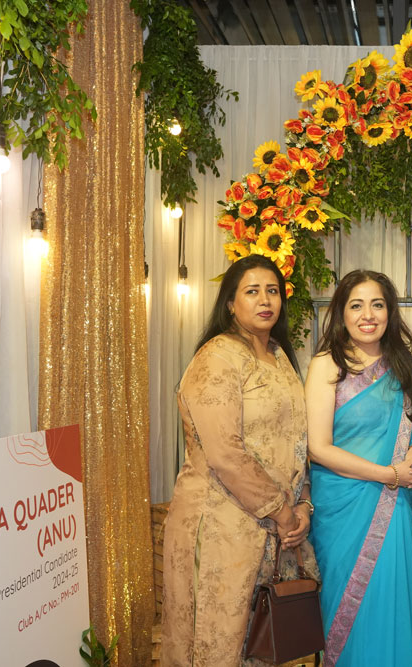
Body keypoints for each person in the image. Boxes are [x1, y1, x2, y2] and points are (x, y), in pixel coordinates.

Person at [162, 254, 318, 666]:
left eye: (273, 291)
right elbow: (225, 452)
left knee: (267, 644)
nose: (265, 300)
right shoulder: (217, 358)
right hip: (221, 527)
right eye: (252, 291)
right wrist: (282, 512)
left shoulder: (279, 357)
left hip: (276, 530)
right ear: (230, 303)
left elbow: (298, 442)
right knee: (217, 645)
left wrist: (303, 505)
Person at [305, 270, 412, 667]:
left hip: (396, 512)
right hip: (343, 511)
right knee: (347, 614)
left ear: (389, 311)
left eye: (377, 305)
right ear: (341, 313)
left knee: (393, 608)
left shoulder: (403, 366)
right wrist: (389, 475)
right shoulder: (327, 365)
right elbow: (318, 448)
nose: (368, 315)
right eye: (356, 305)